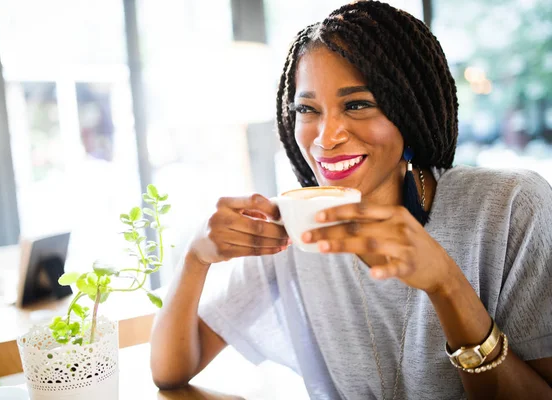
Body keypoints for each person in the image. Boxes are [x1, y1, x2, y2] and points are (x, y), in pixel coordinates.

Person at [150, 1, 552, 398]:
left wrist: (446, 285)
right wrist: (195, 259)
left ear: (408, 109)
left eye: (357, 104)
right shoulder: (296, 225)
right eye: (308, 109)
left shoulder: (510, 207)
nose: (326, 137)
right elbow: (172, 368)